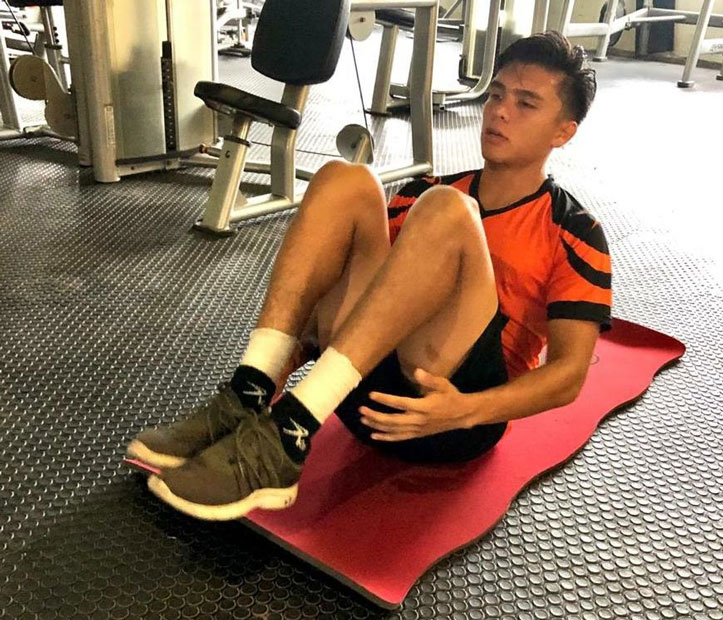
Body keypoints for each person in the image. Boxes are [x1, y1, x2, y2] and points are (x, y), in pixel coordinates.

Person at [126, 31, 612, 521]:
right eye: (496, 95)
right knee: (347, 179)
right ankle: (251, 395)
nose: (500, 111)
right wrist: (280, 371)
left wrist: (467, 410)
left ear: (562, 132)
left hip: (450, 417)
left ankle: (291, 430)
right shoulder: (422, 192)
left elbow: (568, 375)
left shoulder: (573, 231)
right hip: (355, 397)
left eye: (526, 103)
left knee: (446, 210)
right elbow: (356, 299)